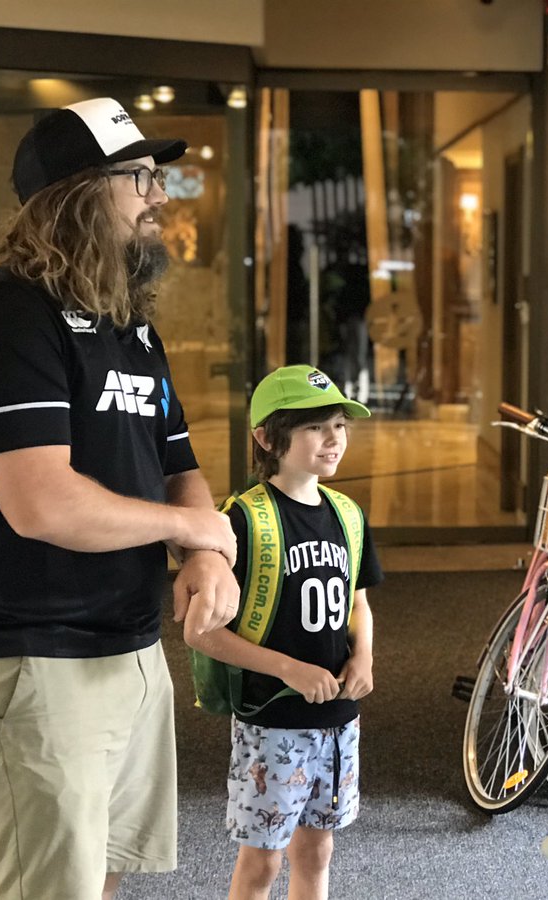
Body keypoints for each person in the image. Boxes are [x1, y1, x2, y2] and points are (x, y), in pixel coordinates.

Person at [0, 98, 240, 900]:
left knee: (98, 883)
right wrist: (197, 528)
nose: (159, 196)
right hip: (32, 663)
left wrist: (204, 551)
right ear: (76, 194)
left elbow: (177, 464)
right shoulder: (4, 315)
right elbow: (45, 504)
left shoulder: (130, 328)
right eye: (139, 178)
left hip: (129, 650)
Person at [184, 364, 382, 900]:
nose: (333, 439)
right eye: (315, 427)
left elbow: (358, 601)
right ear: (268, 438)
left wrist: (363, 655)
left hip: (338, 718)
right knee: (263, 863)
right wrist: (288, 668)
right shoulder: (242, 521)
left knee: (317, 851)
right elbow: (200, 632)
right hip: (273, 722)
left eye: (339, 425)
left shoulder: (348, 515)